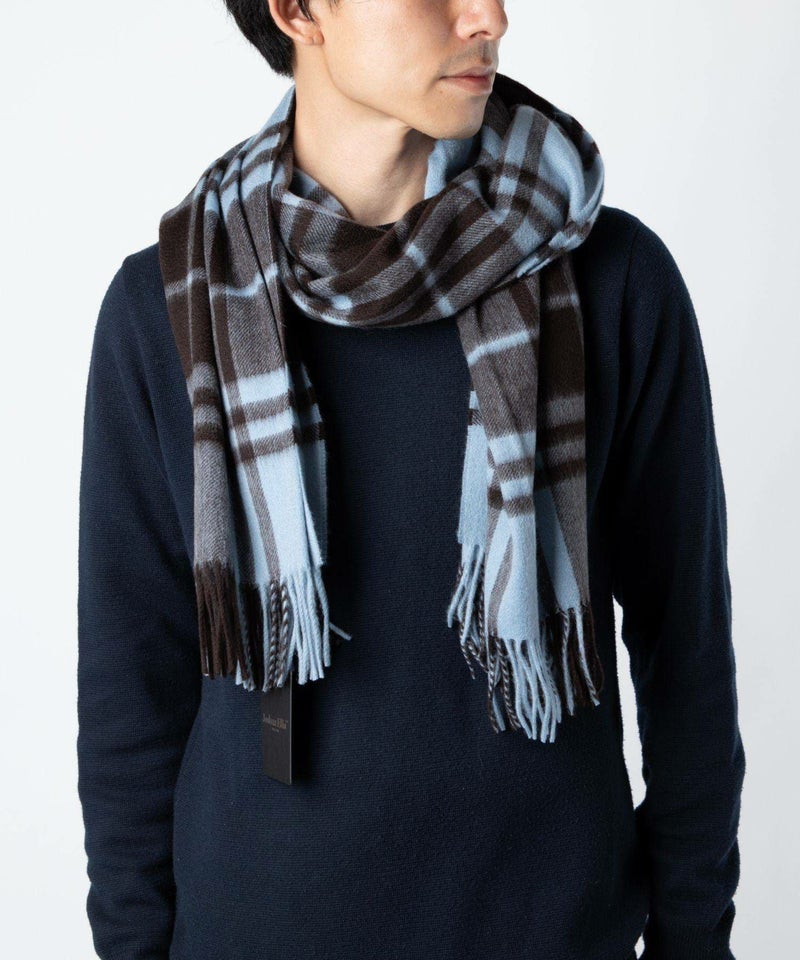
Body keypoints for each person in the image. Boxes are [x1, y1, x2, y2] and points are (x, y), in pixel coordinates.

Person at [76, 2, 745, 959]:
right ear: (297, 10)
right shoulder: (171, 307)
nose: (489, 15)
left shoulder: (611, 281)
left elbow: (688, 664)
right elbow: (130, 692)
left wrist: (695, 941)